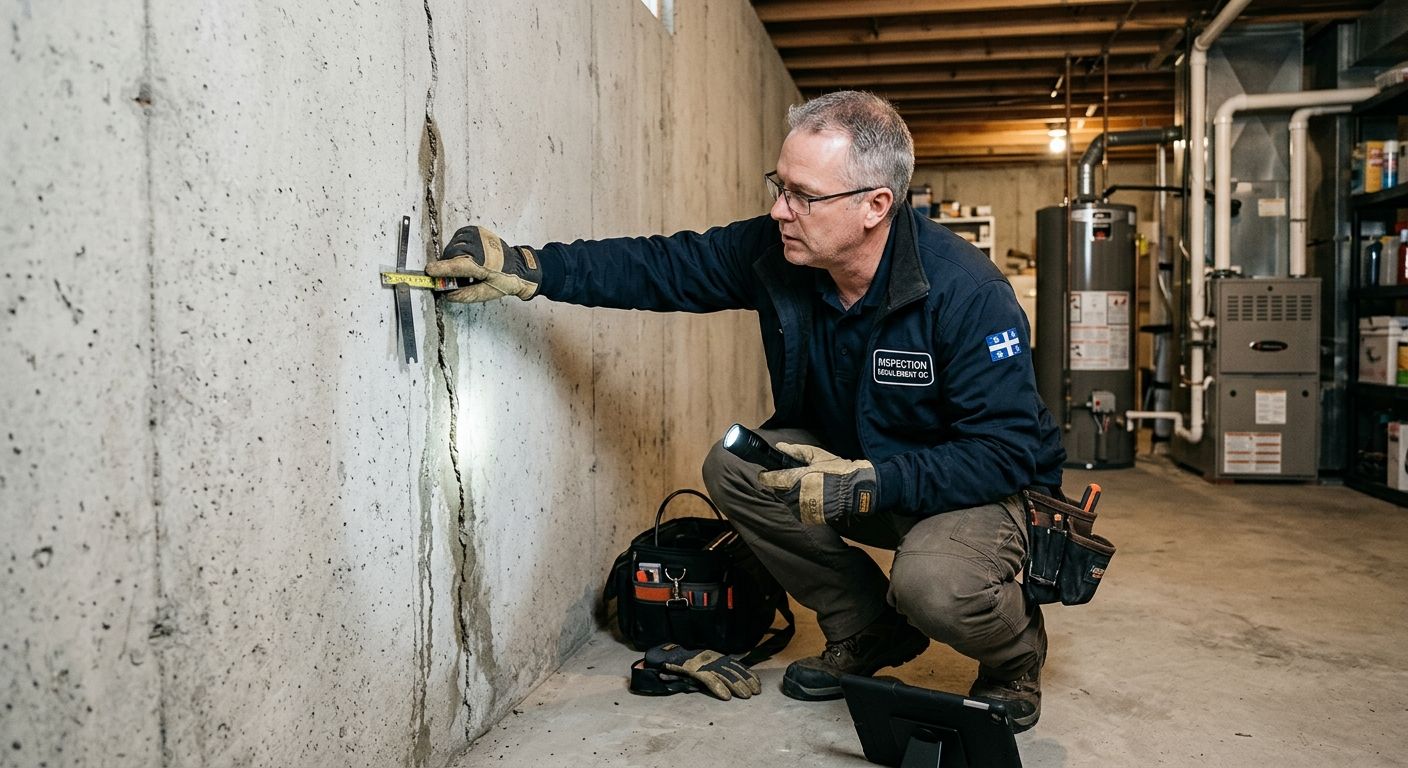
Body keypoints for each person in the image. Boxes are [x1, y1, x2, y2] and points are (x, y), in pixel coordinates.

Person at [428, 90, 1065, 732]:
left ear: (877, 205)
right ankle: (869, 629)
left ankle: (1013, 658)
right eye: (779, 185)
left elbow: (1008, 452)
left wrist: (873, 485)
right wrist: (532, 267)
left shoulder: (968, 294)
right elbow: (663, 266)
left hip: (972, 491)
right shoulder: (777, 253)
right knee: (735, 466)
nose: (779, 210)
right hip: (860, 468)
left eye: (803, 196)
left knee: (932, 583)